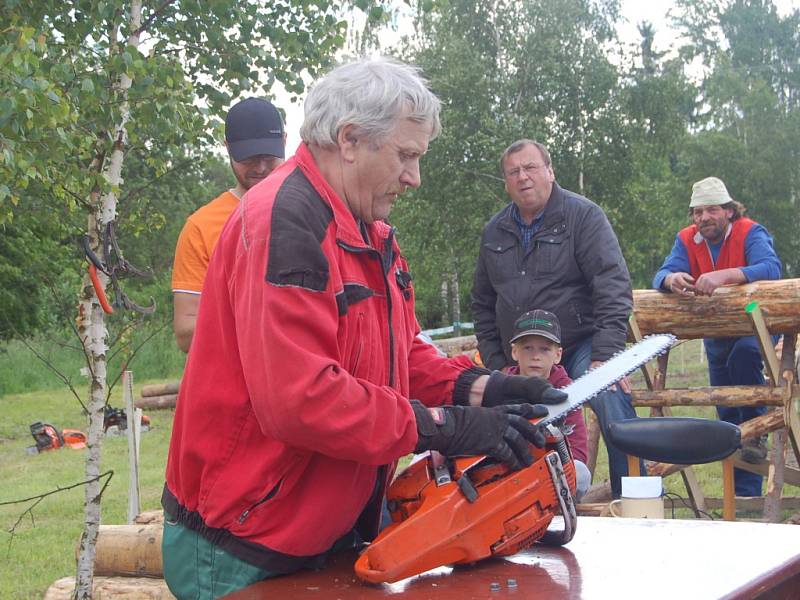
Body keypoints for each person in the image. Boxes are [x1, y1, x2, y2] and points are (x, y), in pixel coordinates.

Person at [161, 58, 567, 598]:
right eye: (406, 156)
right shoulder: (285, 221)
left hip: (327, 524)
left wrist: (483, 388)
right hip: (248, 534)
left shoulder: (368, 230)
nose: (414, 178)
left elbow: (400, 354)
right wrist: (445, 427)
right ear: (350, 139)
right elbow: (300, 399)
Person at [471, 139, 637, 499]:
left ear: (550, 171)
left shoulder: (584, 217)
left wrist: (606, 356)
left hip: (579, 343)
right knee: (485, 416)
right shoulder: (493, 232)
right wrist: (498, 364)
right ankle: (507, 506)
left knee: (609, 395)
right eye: (513, 171)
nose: (523, 177)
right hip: (517, 351)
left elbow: (612, 284)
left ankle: (632, 501)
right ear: (506, 183)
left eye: (530, 167)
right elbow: (481, 304)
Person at [653, 176, 782, 497]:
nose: (703, 218)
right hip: (717, 328)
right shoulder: (686, 239)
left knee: (745, 358)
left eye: (711, 210)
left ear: (728, 211)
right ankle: (740, 494)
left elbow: (770, 268)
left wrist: (724, 275)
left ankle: (756, 436)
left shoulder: (751, 232)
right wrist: (671, 278)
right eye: (697, 212)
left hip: (757, 322)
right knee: (726, 406)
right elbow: (662, 272)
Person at [171, 97, 287, 352]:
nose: (261, 167)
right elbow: (185, 334)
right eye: (249, 158)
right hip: (236, 386)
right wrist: (271, 324)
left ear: (285, 142)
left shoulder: (315, 210)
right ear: (227, 148)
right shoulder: (201, 227)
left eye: (269, 156)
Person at [508, 309, 591, 500]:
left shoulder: (567, 391)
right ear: (514, 351)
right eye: (527, 348)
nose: (535, 356)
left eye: (544, 349)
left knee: (581, 472)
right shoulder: (500, 387)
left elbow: (578, 451)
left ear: (558, 354)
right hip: (508, 475)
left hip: (552, 475)